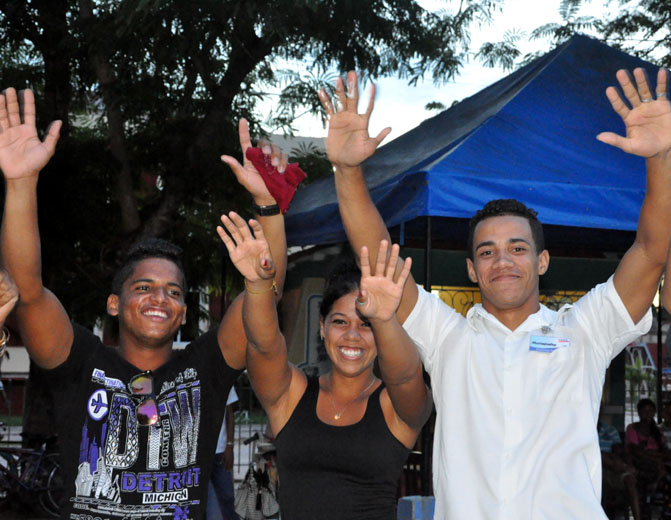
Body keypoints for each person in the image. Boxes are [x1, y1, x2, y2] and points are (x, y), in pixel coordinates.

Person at [318, 67, 671, 519]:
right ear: (472, 269)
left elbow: (649, 251)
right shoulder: (448, 337)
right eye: (487, 252)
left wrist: (662, 157)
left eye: (518, 248)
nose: (503, 261)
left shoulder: (586, 329)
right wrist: (348, 170)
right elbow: (378, 255)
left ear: (542, 262)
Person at [0, 87, 288, 519]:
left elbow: (266, 290)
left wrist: (268, 206)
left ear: (185, 313)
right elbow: (27, 288)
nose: (160, 298)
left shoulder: (204, 370)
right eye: (144, 287)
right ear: (113, 304)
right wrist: (21, 184)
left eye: (174, 292)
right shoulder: (80, 364)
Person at [217, 211, 432, 520]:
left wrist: (384, 318)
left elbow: (406, 373)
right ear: (322, 327)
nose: (352, 336)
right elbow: (263, 346)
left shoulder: (394, 404)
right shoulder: (292, 395)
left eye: (367, 325)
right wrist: (257, 285)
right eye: (340, 322)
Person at [598, 411, 640, 520]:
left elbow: (618, 449)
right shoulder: (583, 429)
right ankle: (624, 467)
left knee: (629, 479)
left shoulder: (610, 430)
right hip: (594, 467)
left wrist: (615, 455)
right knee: (598, 454)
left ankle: (637, 517)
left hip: (613, 467)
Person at [206, 386, 239, 520]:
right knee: (199, 499)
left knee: (227, 496)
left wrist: (230, 445)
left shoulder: (223, 377)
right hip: (198, 454)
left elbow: (230, 412)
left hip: (220, 450)